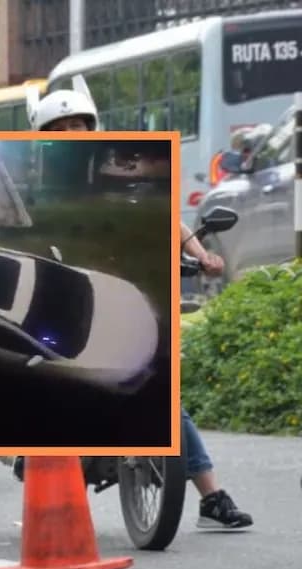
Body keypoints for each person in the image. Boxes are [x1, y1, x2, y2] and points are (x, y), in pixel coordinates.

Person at [15, 81, 253, 530]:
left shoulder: (120, 170)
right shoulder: (38, 186)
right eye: (59, 128)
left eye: (78, 125)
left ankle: (211, 496)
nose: (71, 134)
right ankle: (38, 454)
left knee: (165, 396)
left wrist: (201, 256)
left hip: (128, 291)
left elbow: (166, 217)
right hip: (70, 288)